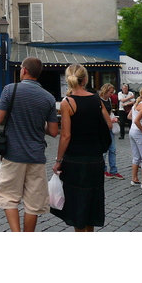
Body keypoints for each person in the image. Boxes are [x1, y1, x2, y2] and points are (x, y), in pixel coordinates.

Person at [0, 57, 59, 232]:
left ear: (24, 70)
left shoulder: (10, 90)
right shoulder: (48, 97)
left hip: (13, 154)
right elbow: (53, 131)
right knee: (33, 203)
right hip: (37, 156)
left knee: (8, 197)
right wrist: (37, 123)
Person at [51, 63, 112, 231]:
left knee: (77, 204)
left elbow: (66, 135)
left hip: (75, 159)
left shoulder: (68, 102)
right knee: (92, 202)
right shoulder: (96, 99)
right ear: (85, 79)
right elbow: (109, 124)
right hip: (95, 158)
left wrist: (58, 160)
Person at [99, 84, 124, 179]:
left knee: (112, 149)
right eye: (110, 92)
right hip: (102, 128)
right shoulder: (98, 100)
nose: (112, 94)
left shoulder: (108, 100)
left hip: (110, 127)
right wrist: (109, 120)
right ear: (105, 91)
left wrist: (112, 118)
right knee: (104, 150)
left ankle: (113, 170)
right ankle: (104, 170)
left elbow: (109, 112)